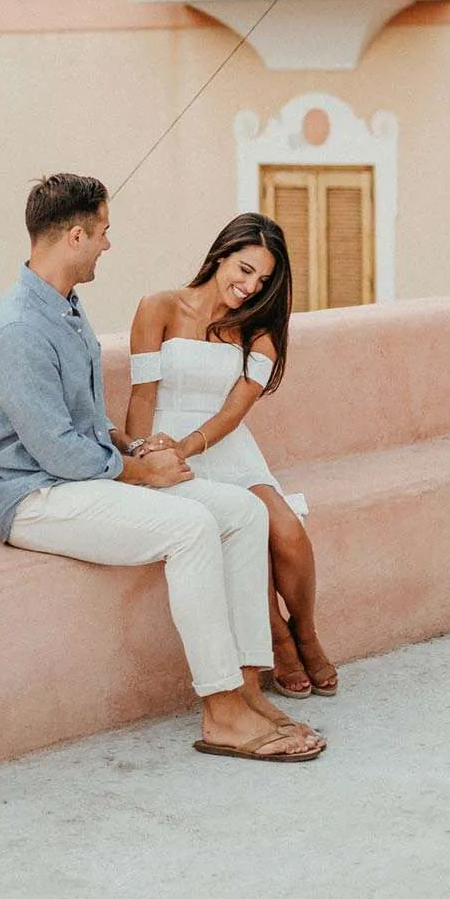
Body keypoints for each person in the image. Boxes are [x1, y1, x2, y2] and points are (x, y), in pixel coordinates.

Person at [0, 174, 323, 763]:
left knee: (240, 509)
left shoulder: (64, 310)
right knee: (189, 528)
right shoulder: (18, 328)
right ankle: (221, 711)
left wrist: (134, 448)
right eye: (104, 232)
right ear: (77, 235)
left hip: (85, 480)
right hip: (40, 498)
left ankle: (244, 685)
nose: (109, 244)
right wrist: (142, 473)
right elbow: (56, 451)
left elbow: (86, 424)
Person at [122, 213, 336, 700]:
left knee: (285, 530)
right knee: (242, 536)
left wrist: (189, 444)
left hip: (224, 443)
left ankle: (304, 630)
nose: (249, 286)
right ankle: (279, 642)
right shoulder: (157, 307)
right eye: (244, 270)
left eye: (262, 280)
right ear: (221, 255)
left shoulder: (259, 328)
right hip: (166, 448)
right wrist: (140, 460)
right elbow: (141, 396)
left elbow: (234, 411)